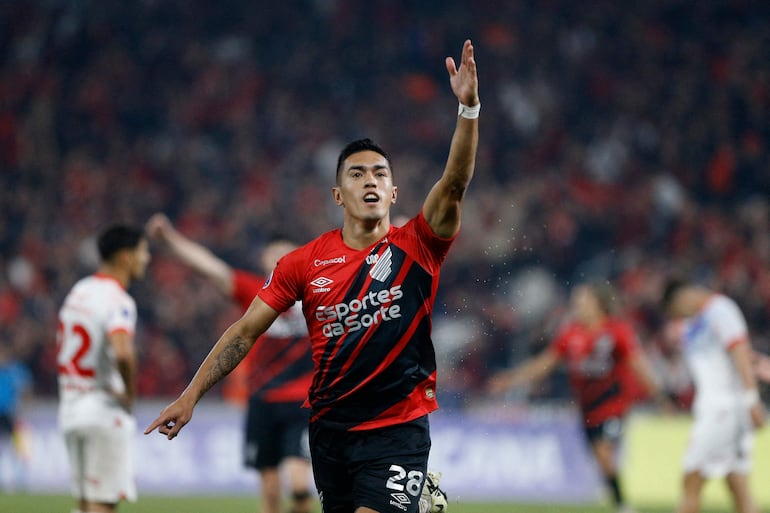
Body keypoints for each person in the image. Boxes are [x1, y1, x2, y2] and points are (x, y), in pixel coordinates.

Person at [145, 38, 479, 513]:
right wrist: (190, 395)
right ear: (338, 194)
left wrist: (468, 110)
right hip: (329, 430)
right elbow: (244, 332)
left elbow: (455, 183)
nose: (370, 180)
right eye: (357, 174)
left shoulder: (417, 246)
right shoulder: (302, 263)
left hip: (397, 427)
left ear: (394, 192)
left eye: (380, 174)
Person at [146, 212, 314, 513]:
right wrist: (170, 240)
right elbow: (211, 268)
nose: (280, 259)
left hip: (302, 403)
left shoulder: (316, 294)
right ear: (265, 259)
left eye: (287, 253)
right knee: (271, 491)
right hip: (262, 400)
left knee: (300, 487)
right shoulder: (256, 292)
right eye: (274, 254)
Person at [488, 282, 660, 513]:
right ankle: (617, 499)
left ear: (598, 304)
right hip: (587, 409)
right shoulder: (570, 334)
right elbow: (545, 364)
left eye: (583, 300)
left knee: (603, 451)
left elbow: (637, 364)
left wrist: (659, 395)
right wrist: (511, 379)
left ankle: (624, 507)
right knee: (599, 458)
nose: (578, 305)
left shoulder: (617, 331)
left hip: (614, 403)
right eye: (577, 301)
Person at [57, 224, 150, 513]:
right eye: (143, 251)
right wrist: (130, 394)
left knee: (84, 504)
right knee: (101, 505)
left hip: (71, 409)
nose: (146, 259)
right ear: (125, 257)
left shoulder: (79, 291)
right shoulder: (118, 300)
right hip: (103, 411)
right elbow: (123, 353)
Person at [661, 280, 766, 513]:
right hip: (726, 411)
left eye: (676, 311)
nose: (678, 316)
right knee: (737, 484)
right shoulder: (697, 322)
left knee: (691, 480)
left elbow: (738, 350)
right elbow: (734, 355)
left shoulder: (721, 309)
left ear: (682, 297)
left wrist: (752, 401)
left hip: (722, 411)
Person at [0, 342, 32, 491]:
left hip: (11, 414)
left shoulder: (15, 370)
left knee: (18, 447)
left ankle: (20, 478)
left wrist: (22, 409)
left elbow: (26, 390)